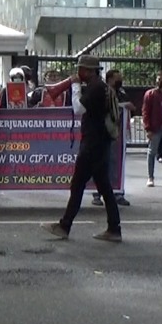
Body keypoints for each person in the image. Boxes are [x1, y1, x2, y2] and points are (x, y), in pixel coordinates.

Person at [42, 55, 123, 243]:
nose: (78, 73)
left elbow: (78, 109)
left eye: (80, 69)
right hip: (99, 144)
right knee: (104, 187)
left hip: (92, 145)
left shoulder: (95, 88)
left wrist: (75, 87)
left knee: (77, 185)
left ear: (87, 71)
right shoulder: (99, 87)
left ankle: (65, 225)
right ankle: (114, 228)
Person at [92, 69, 134, 207]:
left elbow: (129, 111)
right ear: (109, 79)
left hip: (117, 134)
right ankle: (97, 194)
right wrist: (123, 106)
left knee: (116, 163)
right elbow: (102, 108)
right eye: (117, 78)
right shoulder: (102, 92)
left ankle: (118, 193)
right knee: (100, 163)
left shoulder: (121, 93)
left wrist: (128, 108)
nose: (119, 81)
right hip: (102, 133)